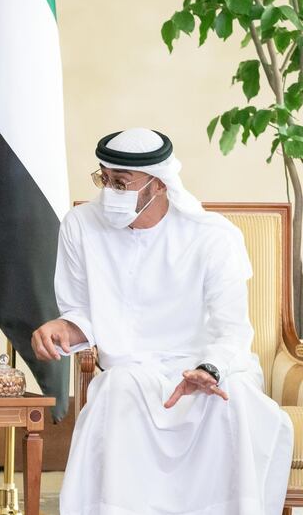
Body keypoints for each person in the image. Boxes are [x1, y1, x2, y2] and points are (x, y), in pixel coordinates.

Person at [31, 128, 293, 514]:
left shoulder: (212, 237)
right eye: (104, 179)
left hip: (208, 365)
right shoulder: (80, 225)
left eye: (121, 183)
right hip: (132, 371)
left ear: (159, 184)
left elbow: (232, 329)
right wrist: (61, 328)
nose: (108, 192)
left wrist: (209, 369)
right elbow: (82, 314)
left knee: (227, 401)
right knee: (117, 390)